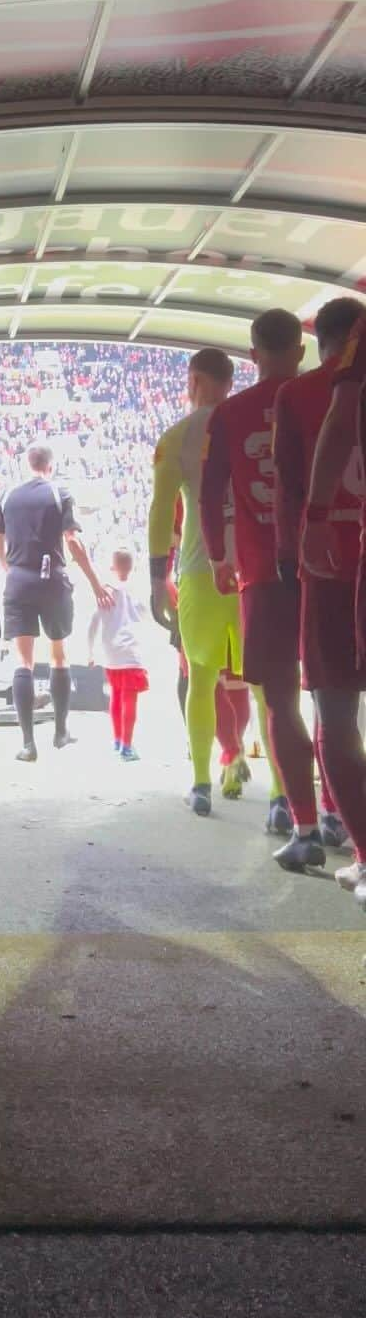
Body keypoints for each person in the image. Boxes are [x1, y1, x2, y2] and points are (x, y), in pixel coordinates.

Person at [198, 308, 327, 857]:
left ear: (253, 354)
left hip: (261, 572)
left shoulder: (229, 413)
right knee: (335, 700)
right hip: (330, 567)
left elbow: (209, 496)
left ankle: (303, 826)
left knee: (280, 701)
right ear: (300, 352)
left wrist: (219, 557)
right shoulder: (326, 400)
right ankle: (342, 812)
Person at [149, 347, 244, 816]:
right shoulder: (253, 425)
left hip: (197, 574)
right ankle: (284, 801)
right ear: (230, 380)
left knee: (200, 679)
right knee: (264, 685)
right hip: (252, 573)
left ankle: (202, 783)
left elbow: (160, 513)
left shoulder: (178, 436)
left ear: (193, 380)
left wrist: (154, 579)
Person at [293, 298, 366, 904]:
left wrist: (315, 522)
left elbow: (341, 420)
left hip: (332, 565)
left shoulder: (300, 396)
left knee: (335, 712)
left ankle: (364, 854)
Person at [0, 443, 112, 763]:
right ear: (51, 465)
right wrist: (96, 582)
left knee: (23, 661)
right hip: (52, 583)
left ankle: (28, 744)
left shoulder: (6, 497)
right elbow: (73, 542)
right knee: (58, 654)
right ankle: (60, 732)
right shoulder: (59, 494)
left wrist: (11, 571)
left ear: (27, 464)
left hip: (18, 583)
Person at [87, 549, 148, 761]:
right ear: (131, 568)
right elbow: (144, 614)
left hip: (110, 653)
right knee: (129, 699)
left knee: (116, 695)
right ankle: (127, 746)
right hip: (130, 651)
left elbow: (93, 624)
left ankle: (116, 740)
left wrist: (90, 651)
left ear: (112, 567)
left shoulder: (104, 592)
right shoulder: (136, 590)